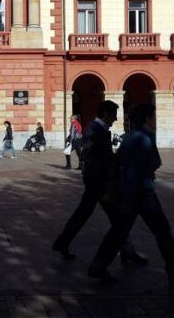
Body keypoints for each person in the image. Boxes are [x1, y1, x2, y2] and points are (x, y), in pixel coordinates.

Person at [88, 103, 174, 287]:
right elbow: (138, 169)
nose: (155, 120)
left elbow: (121, 165)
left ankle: (98, 265)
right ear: (147, 118)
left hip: (131, 193)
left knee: (118, 231)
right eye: (153, 117)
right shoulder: (143, 138)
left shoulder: (130, 136)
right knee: (163, 233)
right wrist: (129, 198)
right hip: (142, 193)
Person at [53, 101, 146, 266]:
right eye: (113, 114)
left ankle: (63, 242)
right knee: (117, 218)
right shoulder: (97, 129)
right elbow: (98, 157)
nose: (116, 119)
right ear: (105, 113)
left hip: (96, 181)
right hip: (99, 182)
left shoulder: (94, 128)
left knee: (88, 215)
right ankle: (125, 253)